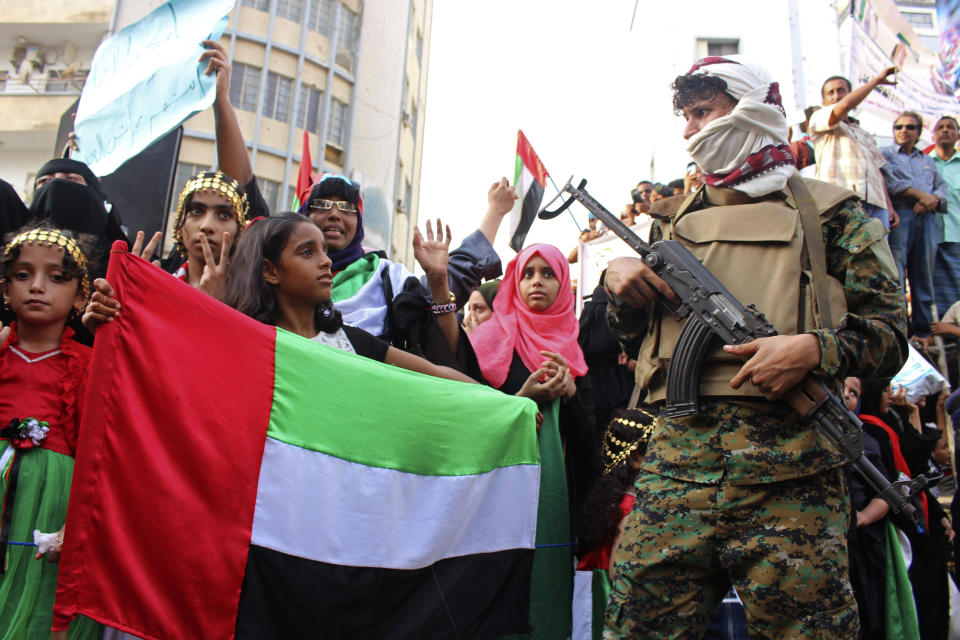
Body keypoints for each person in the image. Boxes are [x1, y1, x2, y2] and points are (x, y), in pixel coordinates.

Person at [603, 56, 907, 639]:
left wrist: (813, 350)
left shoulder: (834, 215)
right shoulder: (670, 221)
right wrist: (621, 288)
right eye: (684, 117)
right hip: (676, 474)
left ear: (750, 110)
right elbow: (639, 345)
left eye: (702, 112)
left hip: (793, 480)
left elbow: (891, 336)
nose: (690, 131)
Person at [469, 243, 594, 639]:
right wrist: (523, 401)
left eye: (547, 273)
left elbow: (589, 443)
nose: (536, 282)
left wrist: (570, 397)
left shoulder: (576, 346)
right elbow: (469, 415)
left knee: (545, 597)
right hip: (494, 493)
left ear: (563, 283)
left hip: (556, 503)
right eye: (527, 273)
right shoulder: (486, 341)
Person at [0, 225, 101, 639]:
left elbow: (101, 455)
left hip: (52, 504)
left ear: (80, 296)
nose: (38, 286)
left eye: (57, 277)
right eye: (23, 275)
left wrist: (73, 527)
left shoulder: (90, 365)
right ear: (5, 290)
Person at [298, 174, 510, 370]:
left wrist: (438, 280)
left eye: (346, 207)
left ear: (359, 221)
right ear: (304, 215)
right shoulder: (276, 276)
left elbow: (442, 353)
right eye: (322, 204)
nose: (335, 214)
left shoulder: (386, 277)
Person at [884, 111, 948, 339]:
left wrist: (930, 201)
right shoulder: (886, 154)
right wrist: (922, 196)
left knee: (923, 276)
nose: (904, 131)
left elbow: (941, 187)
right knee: (897, 275)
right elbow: (890, 183)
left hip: (927, 219)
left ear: (919, 132)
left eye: (910, 127)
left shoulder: (927, 160)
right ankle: (901, 331)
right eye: (899, 127)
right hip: (901, 216)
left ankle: (924, 331)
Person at [809, 69, 898, 229]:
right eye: (831, 92)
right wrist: (876, 81)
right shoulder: (819, 119)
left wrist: (889, 206)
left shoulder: (863, 133)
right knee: (847, 253)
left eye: (841, 90)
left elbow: (878, 173)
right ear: (824, 101)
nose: (836, 96)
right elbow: (843, 106)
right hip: (841, 201)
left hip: (876, 203)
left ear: (849, 93)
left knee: (880, 253)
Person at [169, 170, 248, 301]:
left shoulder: (255, 300)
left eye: (224, 215)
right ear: (179, 227)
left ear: (239, 233)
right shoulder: (156, 289)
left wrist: (217, 306)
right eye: (196, 211)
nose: (207, 226)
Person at [930, 116, 960, 318]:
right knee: (933, 291)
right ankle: (942, 336)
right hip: (930, 237)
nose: (945, 130)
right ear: (933, 135)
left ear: (958, 135)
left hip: (957, 235)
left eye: (951, 127)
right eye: (940, 127)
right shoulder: (923, 163)